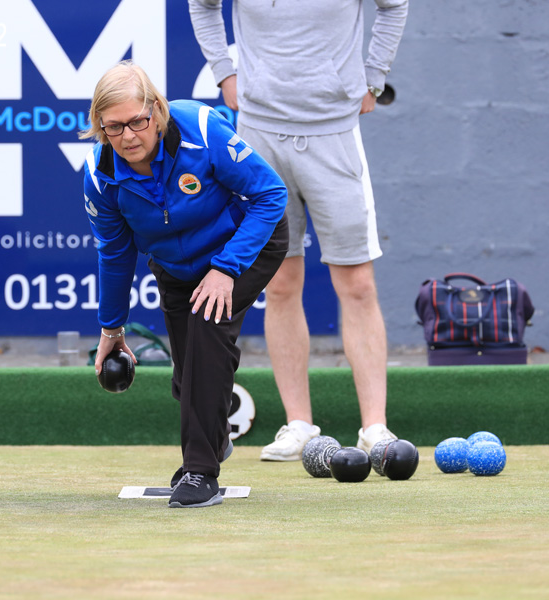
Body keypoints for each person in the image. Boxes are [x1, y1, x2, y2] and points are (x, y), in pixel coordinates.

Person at [189, 0, 409, 459]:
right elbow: (202, 5)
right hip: (259, 134)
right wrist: (224, 73)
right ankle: (299, 425)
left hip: (335, 134)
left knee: (357, 283)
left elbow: (394, 6)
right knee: (281, 283)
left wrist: (374, 76)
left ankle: (375, 429)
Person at [81, 61, 288, 508]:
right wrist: (111, 332)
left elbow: (271, 195)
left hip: (246, 243)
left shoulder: (201, 129)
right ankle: (212, 438)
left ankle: (200, 471)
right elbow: (116, 254)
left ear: (156, 110)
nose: (129, 135)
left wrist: (226, 268)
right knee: (187, 374)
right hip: (176, 268)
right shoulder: (101, 175)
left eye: (138, 120)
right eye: (113, 127)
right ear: (99, 127)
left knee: (208, 330)